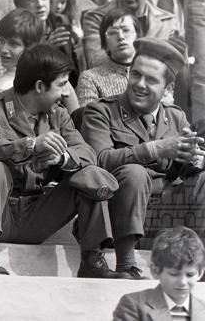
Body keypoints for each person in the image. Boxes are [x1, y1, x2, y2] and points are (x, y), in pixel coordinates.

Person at [0, 44, 118, 277]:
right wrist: (30, 145)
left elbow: (87, 153)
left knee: (87, 175)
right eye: (61, 84)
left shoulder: (59, 115)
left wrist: (62, 158)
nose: (66, 93)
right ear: (39, 86)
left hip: (37, 214)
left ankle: (92, 260)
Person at [81, 37, 205, 280]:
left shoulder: (176, 117)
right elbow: (98, 161)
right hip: (117, 216)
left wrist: (194, 161)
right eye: (136, 75)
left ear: (168, 89)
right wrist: (154, 149)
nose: (140, 84)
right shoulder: (101, 111)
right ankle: (126, 266)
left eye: (151, 80)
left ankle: (200, 269)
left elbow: (179, 172)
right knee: (134, 172)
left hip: (165, 216)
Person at [113, 227, 205, 320]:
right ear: (155, 271)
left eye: (190, 274)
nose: (182, 282)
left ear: (201, 273)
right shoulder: (134, 306)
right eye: (174, 274)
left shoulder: (202, 311)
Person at [76, 8, 140, 107]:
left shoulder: (152, 73)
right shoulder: (90, 79)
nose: (121, 37)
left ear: (138, 37)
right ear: (105, 44)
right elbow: (88, 115)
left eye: (126, 30)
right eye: (113, 32)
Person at [0, 8, 42, 94]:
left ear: (29, 47)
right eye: (1, 41)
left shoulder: (40, 78)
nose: (4, 49)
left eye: (13, 44)